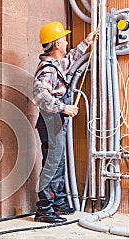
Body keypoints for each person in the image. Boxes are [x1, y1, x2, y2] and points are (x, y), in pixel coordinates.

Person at [33, 21, 97, 223]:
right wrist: (63, 107)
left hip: (55, 122)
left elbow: (71, 58)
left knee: (58, 163)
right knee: (52, 164)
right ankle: (44, 209)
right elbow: (39, 94)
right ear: (57, 44)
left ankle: (56, 202)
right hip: (51, 121)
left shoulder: (57, 65)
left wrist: (87, 42)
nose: (67, 42)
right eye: (64, 39)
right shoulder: (48, 70)